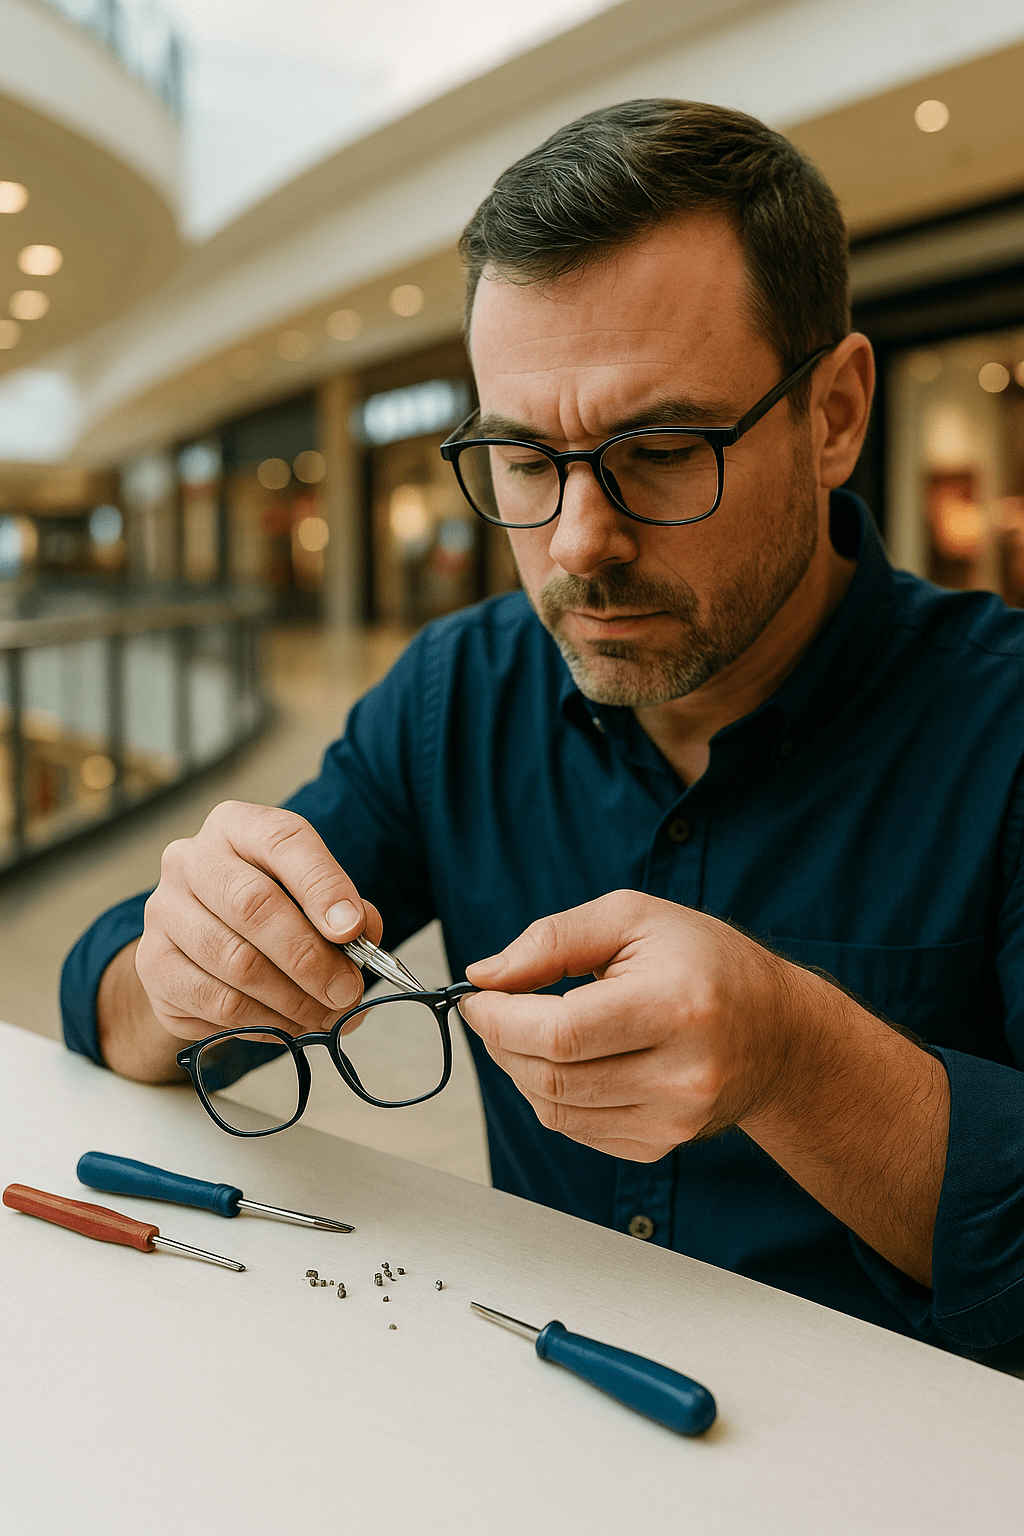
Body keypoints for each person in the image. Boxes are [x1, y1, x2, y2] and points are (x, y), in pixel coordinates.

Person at [63, 100, 1024, 1370]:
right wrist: (179, 971)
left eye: (664, 448)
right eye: (523, 457)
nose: (578, 544)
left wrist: (798, 1062)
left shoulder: (1000, 728)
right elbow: (119, 1010)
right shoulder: (452, 697)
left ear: (835, 413)